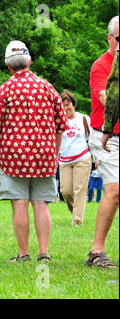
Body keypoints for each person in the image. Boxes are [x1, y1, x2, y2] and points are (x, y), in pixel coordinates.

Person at [0, 40, 68, 263]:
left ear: (8, 66)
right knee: (41, 204)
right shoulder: (47, 87)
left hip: (13, 157)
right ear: (29, 61)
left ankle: (23, 254)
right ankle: (44, 252)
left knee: (19, 204)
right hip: (44, 155)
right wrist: (55, 152)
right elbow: (61, 124)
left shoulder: (4, 90)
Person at [86, 16, 119, 269]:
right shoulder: (101, 65)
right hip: (106, 137)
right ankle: (96, 252)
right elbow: (103, 96)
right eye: (118, 39)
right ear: (109, 38)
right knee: (115, 190)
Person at [58, 90, 92, 226]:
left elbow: (92, 138)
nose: (66, 108)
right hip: (65, 160)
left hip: (82, 158)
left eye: (68, 105)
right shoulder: (59, 121)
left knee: (79, 190)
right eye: (63, 106)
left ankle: (77, 222)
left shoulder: (83, 118)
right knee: (65, 191)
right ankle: (76, 214)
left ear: (73, 104)